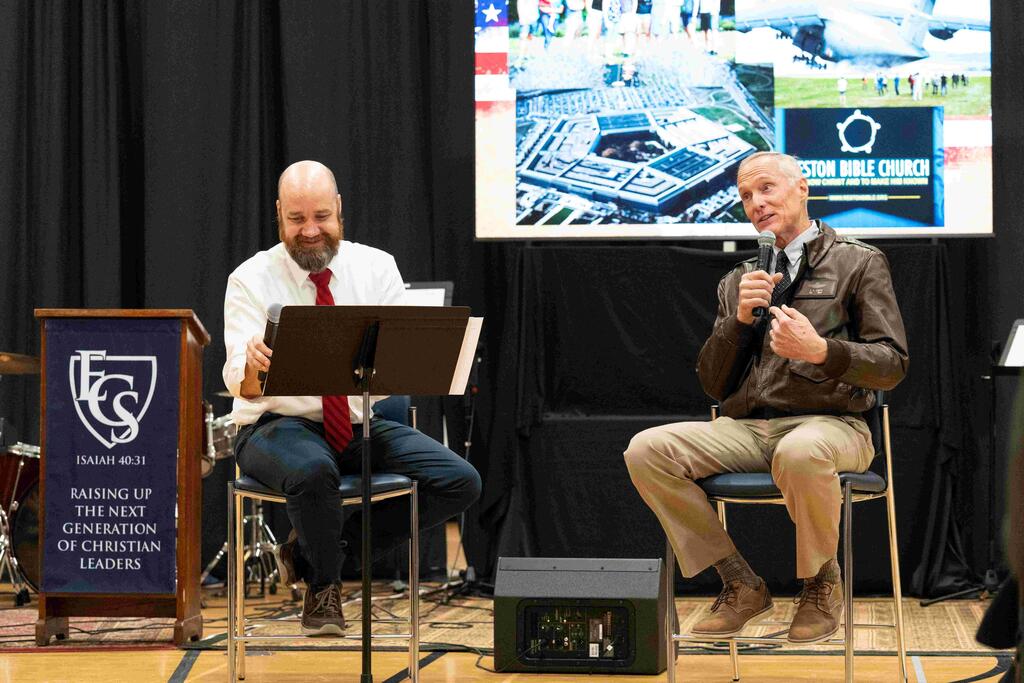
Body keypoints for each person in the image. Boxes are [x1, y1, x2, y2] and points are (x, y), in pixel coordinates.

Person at [624, 151, 908, 643]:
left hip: (833, 426)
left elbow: (893, 364)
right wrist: (737, 322)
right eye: (746, 196)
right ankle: (739, 582)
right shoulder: (739, 280)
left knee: (800, 451)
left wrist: (823, 351)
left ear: (802, 188)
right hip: (748, 429)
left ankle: (821, 583)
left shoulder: (858, 262)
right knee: (646, 450)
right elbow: (714, 384)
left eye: (766, 189)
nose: (756, 202)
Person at [223, 160, 481, 635]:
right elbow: (242, 385)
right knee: (313, 471)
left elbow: (399, 369)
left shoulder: (377, 267)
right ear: (279, 214)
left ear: (339, 209)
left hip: (359, 424)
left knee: (460, 481)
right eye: (297, 219)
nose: (310, 230)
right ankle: (324, 587)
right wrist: (257, 365)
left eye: (321, 216)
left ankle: (311, 553)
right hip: (275, 427)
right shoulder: (250, 278)